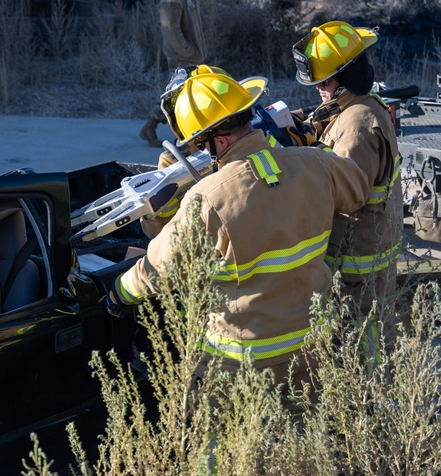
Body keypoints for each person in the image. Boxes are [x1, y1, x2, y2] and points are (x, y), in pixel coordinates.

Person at [110, 68, 372, 386]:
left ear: (219, 140)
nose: (200, 153)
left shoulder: (207, 197)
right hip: (311, 347)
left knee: (212, 430)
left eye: (200, 145)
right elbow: (358, 189)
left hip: (240, 365)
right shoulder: (314, 163)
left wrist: (118, 294)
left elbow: (157, 269)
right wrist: (314, 160)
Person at [292, 21, 403, 335]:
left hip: (359, 265)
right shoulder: (359, 106)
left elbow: (345, 195)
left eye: (325, 81)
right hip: (366, 256)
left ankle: (372, 385)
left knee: (361, 341)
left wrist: (303, 162)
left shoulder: (357, 127)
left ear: (346, 78)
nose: (318, 88)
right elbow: (327, 122)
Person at [140, 0, 205, 148]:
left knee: (177, 96)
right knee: (177, 98)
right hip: (181, 58)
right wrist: (191, 52)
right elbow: (172, 34)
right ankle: (179, 137)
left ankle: (151, 127)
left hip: (192, 56)